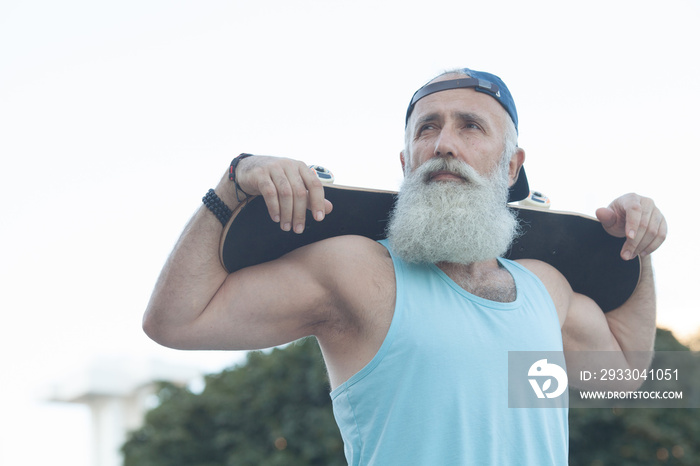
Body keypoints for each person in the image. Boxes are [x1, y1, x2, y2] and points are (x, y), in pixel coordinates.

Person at [143, 68, 667, 465]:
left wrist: (635, 248)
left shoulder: (543, 290)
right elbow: (175, 321)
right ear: (406, 163)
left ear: (511, 166)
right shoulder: (358, 273)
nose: (443, 144)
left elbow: (623, 377)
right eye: (427, 129)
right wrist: (232, 185)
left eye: (470, 127)